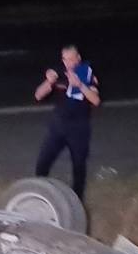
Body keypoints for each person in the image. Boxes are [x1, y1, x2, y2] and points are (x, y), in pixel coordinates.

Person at [33, 44, 100, 198]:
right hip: (58, 125)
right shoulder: (59, 73)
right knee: (42, 163)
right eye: (65, 59)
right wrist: (49, 82)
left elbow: (95, 100)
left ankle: (77, 201)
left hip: (79, 128)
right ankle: (40, 196)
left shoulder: (86, 73)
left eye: (71, 59)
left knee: (78, 167)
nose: (68, 63)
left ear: (78, 58)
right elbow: (38, 95)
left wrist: (80, 85)